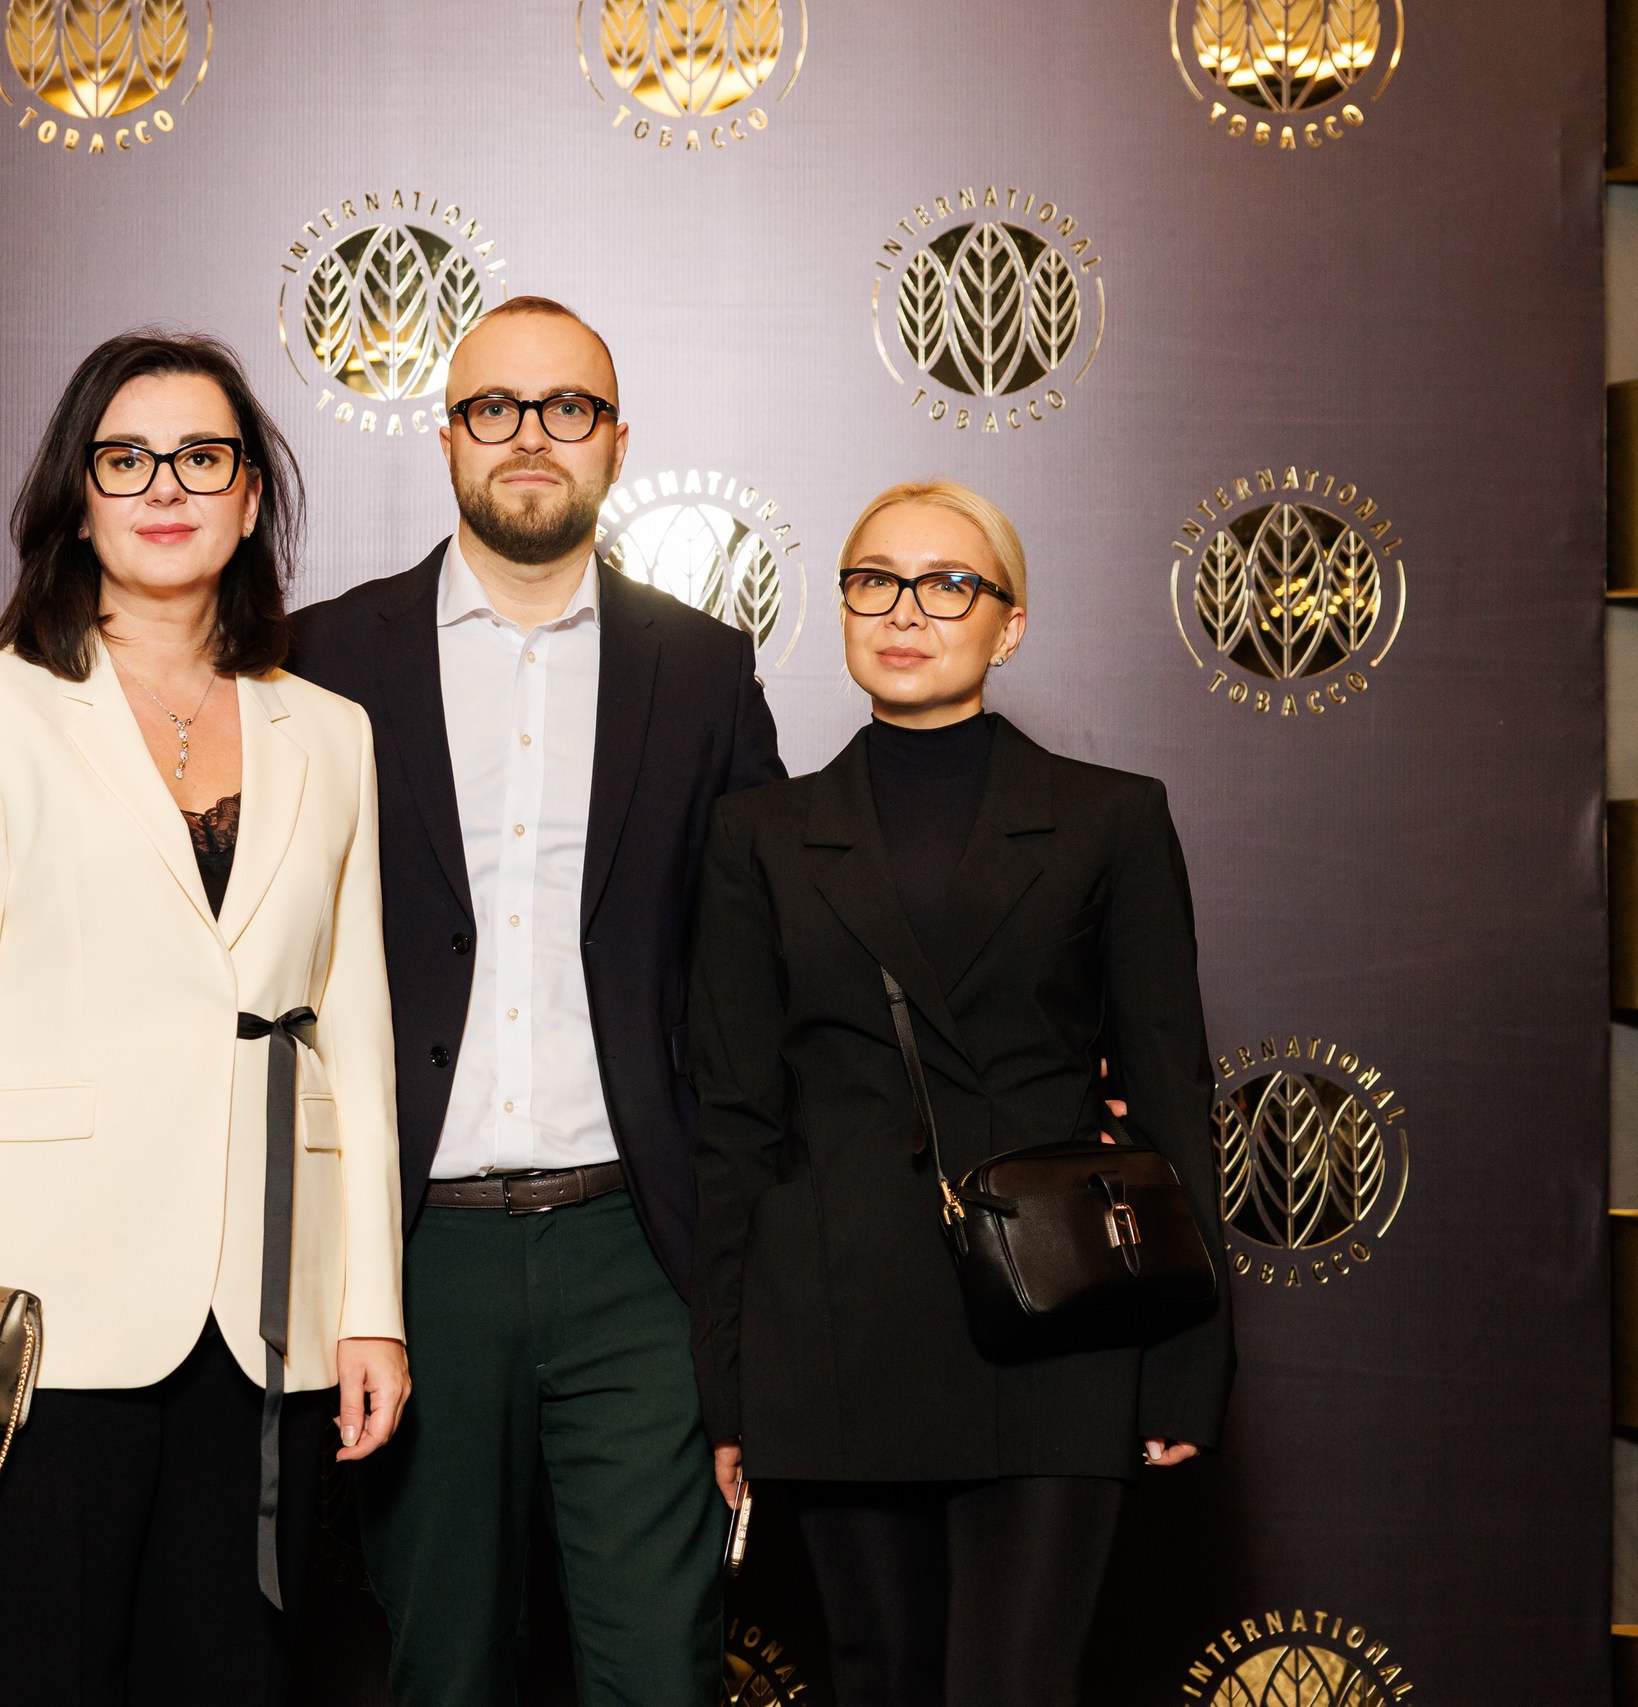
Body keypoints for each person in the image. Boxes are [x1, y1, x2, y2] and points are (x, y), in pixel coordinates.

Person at [0, 330, 408, 1707]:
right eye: (126, 458)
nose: (165, 485)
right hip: (41, 1305)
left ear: (249, 497)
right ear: (76, 498)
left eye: (201, 456)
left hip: (263, 1312)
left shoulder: (330, 732)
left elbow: (357, 1034)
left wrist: (368, 1305)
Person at [286, 295, 783, 1706]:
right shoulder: (322, 659)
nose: (528, 437)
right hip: (412, 1253)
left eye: (567, 408)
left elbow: (771, 956)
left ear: (616, 442)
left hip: (636, 1248)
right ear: (447, 438)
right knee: (443, 1670)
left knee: (659, 1674)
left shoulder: (701, 669)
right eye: (492, 407)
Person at [687, 480, 1233, 1707]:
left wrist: (1187, 1361)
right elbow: (733, 1127)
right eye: (873, 581)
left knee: (1016, 1682)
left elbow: (1169, 1094)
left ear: (1009, 622)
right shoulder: (758, 837)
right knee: (877, 1678)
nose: (904, 611)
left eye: (946, 584)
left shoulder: (1111, 819)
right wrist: (726, 1386)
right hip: (836, 1326)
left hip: (1058, 1324)